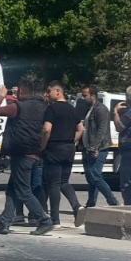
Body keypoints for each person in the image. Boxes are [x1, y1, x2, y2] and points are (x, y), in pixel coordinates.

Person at [0, 79, 54, 236]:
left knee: (24, 192)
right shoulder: (43, 107)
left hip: (21, 153)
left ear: (20, 92)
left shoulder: (18, 107)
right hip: (34, 153)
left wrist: (1, 96)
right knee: (12, 189)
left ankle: (44, 220)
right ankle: (4, 223)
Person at [40, 81, 85, 227]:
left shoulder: (51, 109)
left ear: (58, 92)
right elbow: (81, 129)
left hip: (54, 148)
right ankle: (77, 207)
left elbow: (46, 129)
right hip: (69, 149)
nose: (47, 94)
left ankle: (55, 220)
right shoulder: (72, 109)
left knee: (53, 184)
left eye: (49, 91)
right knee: (64, 182)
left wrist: (42, 146)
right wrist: (72, 141)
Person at [80, 85, 118, 207]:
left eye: (85, 95)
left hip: (99, 148)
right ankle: (91, 203)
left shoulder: (101, 109)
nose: (83, 98)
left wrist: (94, 147)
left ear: (93, 96)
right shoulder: (88, 108)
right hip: (87, 147)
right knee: (90, 178)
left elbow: (101, 130)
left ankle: (112, 201)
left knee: (94, 175)